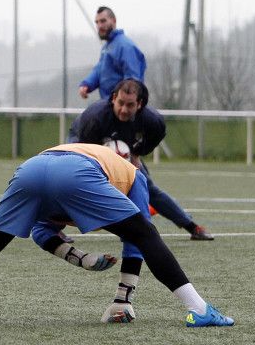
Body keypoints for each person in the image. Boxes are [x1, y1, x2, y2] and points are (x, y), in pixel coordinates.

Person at [0, 143, 233, 327]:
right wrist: (122, 300)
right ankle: (199, 309)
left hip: (31, 168)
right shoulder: (134, 175)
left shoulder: (89, 154)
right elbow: (138, 241)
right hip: (75, 172)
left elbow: (43, 232)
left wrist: (81, 259)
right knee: (147, 234)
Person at [61, 78, 212, 240]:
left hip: (127, 150)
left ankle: (192, 227)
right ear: (113, 99)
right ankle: (51, 228)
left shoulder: (153, 121)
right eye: (120, 103)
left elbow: (153, 139)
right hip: (85, 144)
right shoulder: (94, 118)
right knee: (72, 183)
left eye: (130, 105)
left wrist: (136, 154)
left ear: (139, 104)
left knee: (148, 188)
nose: (124, 109)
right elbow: (86, 151)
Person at [78, 6, 146, 100]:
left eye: (103, 21)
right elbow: (100, 70)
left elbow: (132, 82)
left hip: (121, 108)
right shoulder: (107, 47)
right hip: (109, 104)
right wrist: (87, 84)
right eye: (97, 22)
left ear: (114, 21)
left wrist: (122, 104)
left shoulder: (125, 46)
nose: (99, 26)